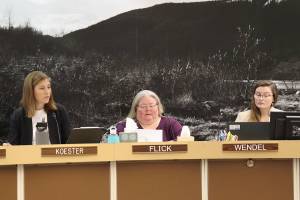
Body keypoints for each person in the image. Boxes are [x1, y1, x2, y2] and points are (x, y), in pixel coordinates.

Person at [8, 71, 71, 145]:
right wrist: (9, 147)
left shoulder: (58, 111)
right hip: (29, 156)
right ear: (31, 91)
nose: (47, 92)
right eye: (42, 88)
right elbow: (13, 146)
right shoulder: (19, 115)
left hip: (53, 156)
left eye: (48, 87)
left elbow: (69, 142)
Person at [116, 90, 182, 141]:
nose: (148, 109)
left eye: (151, 106)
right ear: (136, 108)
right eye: (143, 106)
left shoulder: (171, 124)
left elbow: (185, 141)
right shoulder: (124, 126)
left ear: (158, 107)